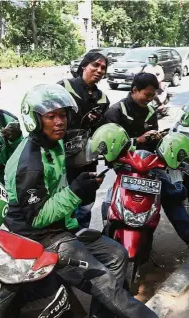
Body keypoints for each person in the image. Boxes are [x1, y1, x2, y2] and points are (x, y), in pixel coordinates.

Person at [3, 84, 157, 318]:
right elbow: (37, 218)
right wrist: (75, 192)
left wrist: (82, 186)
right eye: (51, 116)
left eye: (63, 115)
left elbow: (68, 176)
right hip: (40, 236)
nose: (59, 122)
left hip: (62, 228)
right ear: (34, 119)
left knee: (117, 255)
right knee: (105, 283)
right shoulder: (30, 163)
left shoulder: (53, 145)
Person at [103, 72, 189, 249]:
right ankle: (107, 235)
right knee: (117, 198)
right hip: (124, 164)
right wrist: (138, 141)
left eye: (153, 96)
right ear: (134, 90)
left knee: (170, 193)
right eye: (147, 95)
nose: (150, 100)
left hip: (148, 163)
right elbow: (110, 145)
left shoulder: (150, 111)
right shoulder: (116, 111)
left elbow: (153, 142)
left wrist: (157, 138)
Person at [58, 51, 110, 228]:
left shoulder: (102, 99)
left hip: (87, 158)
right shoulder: (64, 87)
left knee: (86, 201)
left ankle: (83, 239)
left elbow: (101, 131)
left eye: (103, 67)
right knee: (63, 199)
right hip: (60, 155)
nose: (99, 70)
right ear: (83, 66)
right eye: (95, 65)